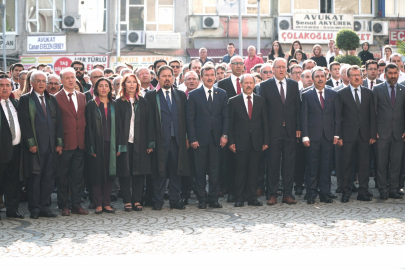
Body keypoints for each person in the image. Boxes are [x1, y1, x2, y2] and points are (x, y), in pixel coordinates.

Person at [18, 70, 63, 219]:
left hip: (50, 146)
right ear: (31, 83)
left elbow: (58, 123)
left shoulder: (52, 99)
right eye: (38, 81)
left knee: (48, 178)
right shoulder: (26, 99)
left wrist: (58, 143)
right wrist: (31, 143)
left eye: (44, 81)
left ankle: (45, 208)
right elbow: (24, 123)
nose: (42, 84)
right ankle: (35, 209)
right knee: (35, 179)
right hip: (35, 146)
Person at [144, 65, 190, 210]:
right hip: (159, 141)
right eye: (163, 76)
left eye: (169, 76)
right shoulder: (151, 96)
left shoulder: (180, 95)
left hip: (177, 140)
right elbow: (148, 121)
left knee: (177, 171)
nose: (167, 78)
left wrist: (187, 138)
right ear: (157, 78)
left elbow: (185, 119)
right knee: (159, 172)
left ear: (173, 77)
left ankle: (175, 200)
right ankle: (158, 201)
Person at [258, 57, 301, 205]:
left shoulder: (294, 85)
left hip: (290, 131)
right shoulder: (264, 86)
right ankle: (272, 194)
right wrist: (264, 133)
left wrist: (298, 128)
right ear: (273, 69)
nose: (282, 70)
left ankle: (288, 194)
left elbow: (297, 108)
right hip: (272, 131)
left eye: (284, 67)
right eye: (279, 67)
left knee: (289, 163)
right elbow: (262, 112)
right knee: (272, 163)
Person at [187, 65, 229, 209]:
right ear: (202, 77)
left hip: (217, 139)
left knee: (215, 170)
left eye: (212, 75)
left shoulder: (222, 93)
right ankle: (202, 199)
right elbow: (190, 118)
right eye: (207, 75)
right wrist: (192, 138)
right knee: (199, 171)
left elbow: (226, 117)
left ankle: (214, 198)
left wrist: (224, 135)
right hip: (199, 139)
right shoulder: (193, 95)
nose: (210, 77)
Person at [337, 65, 376, 203]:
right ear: (348, 77)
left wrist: (372, 134)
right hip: (347, 135)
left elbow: (372, 115)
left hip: (364, 135)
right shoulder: (341, 93)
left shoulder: (368, 93)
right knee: (346, 164)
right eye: (353, 75)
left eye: (359, 74)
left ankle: (363, 191)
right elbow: (338, 117)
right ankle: (345, 191)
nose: (357, 77)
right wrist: (339, 136)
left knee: (364, 164)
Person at [228, 74, 269, 207]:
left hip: (256, 141)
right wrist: (231, 141)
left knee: (254, 171)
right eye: (246, 83)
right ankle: (239, 198)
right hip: (240, 142)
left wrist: (266, 140)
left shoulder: (260, 100)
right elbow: (230, 123)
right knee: (240, 171)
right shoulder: (233, 101)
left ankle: (252, 198)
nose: (249, 85)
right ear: (241, 84)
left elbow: (265, 122)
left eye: (251, 82)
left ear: (254, 84)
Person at [116, 74, 155, 212]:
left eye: (134, 82)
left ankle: (137, 200)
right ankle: (127, 201)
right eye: (128, 82)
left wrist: (150, 143)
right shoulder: (118, 103)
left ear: (137, 85)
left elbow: (150, 124)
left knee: (139, 173)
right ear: (124, 85)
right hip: (124, 143)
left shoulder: (143, 102)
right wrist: (118, 144)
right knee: (125, 172)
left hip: (141, 142)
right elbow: (116, 126)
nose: (131, 85)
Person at [301, 67, 339, 204]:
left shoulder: (333, 94)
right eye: (317, 76)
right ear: (312, 78)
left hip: (328, 136)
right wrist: (305, 136)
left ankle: (325, 193)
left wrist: (336, 134)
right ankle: (311, 194)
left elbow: (337, 116)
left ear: (326, 77)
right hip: (312, 137)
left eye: (322, 76)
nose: (320, 79)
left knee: (326, 166)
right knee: (312, 166)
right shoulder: (306, 95)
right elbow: (303, 117)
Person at [54, 67, 88, 216]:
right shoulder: (55, 98)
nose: (71, 80)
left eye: (73, 77)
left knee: (78, 177)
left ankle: (76, 204)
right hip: (64, 144)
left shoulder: (82, 96)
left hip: (80, 143)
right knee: (63, 177)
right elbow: (55, 123)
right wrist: (58, 143)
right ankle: (63, 205)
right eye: (67, 78)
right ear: (61, 80)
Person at [85, 78, 121, 214]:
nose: (104, 88)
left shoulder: (115, 105)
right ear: (96, 88)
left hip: (111, 144)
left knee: (109, 173)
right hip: (97, 144)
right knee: (96, 173)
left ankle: (107, 203)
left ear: (110, 88)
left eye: (106, 86)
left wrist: (119, 146)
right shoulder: (91, 105)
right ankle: (97, 203)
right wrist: (91, 146)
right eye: (101, 86)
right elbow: (88, 128)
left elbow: (119, 127)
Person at [373, 63, 405, 200]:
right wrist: (374, 130)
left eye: (395, 73)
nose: (393, 76)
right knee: (381, 163)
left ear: (398, 74)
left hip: (399, 133)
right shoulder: (377, 89)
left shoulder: (403, 89)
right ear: (385, 74)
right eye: (390, 73)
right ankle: (383, 190)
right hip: (381, 133)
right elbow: (372, 112)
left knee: (396, 163)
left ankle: (393, 189)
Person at [217, 55, 244, 202]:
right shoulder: (222, 84)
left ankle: (243, 190)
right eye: (235, 63)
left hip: (246, 128)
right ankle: (230, 190)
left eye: (241, 63)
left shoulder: (248, 81)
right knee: (228, 162)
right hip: (228, 126)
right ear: (230, 66)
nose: (238, 66)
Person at [0, 76, 24, 219]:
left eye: (7, 85)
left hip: (16, 150)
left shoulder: (14, 102)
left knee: (13, 181)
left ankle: (12, 210)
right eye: (1, 85)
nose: (4, 88)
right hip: (1, 151)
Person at [181, 71, 199, 204]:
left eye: (194, 79)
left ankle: (199, 193)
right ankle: (185, 194)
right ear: (184, 81)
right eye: (189, 79)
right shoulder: (180, 96)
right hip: (183, 139)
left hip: (199, 138)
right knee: (185, 168)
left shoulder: (201, 95)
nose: (191, 81)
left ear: (198, 81)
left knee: (199, 168)